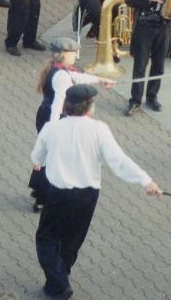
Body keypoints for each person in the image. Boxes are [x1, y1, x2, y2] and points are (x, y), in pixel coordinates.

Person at [32, 84, 163, 299]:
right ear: (89, 107)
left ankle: (58, 281)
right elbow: (119, 161)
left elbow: (37, 156)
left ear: (67, 106)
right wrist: (146, 181)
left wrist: (39, 161)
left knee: (47, 237)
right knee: (73, 238)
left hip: (58, 193)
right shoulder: (99, 129)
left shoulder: (52, 128)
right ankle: (60, 276)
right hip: (87, 195)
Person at [28, 37, 115, 213]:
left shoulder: (59, 70)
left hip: (45, 115)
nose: (76, 56)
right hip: (54, 118)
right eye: (73, 53)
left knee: (49, 157)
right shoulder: (61, 76)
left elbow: (78, 77)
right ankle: (44, 197)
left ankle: (40, 194)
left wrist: (100, 79)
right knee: (54, 158)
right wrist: (52, 131)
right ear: (63, 54)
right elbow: (58, 104)